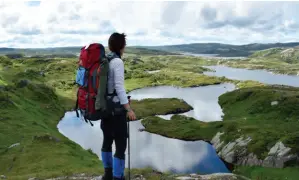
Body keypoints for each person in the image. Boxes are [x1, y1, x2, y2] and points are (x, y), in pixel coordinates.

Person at [101, 32, 136, 180]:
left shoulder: (105, 59)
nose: (125, 48)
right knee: (121, 146)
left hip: (104, 109)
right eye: (124, 45)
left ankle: (107, 175)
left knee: (107, 141)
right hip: (116, 111)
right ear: (121, 46)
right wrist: (128, 108)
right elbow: (119, 88)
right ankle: (117, 177)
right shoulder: (117, 62)